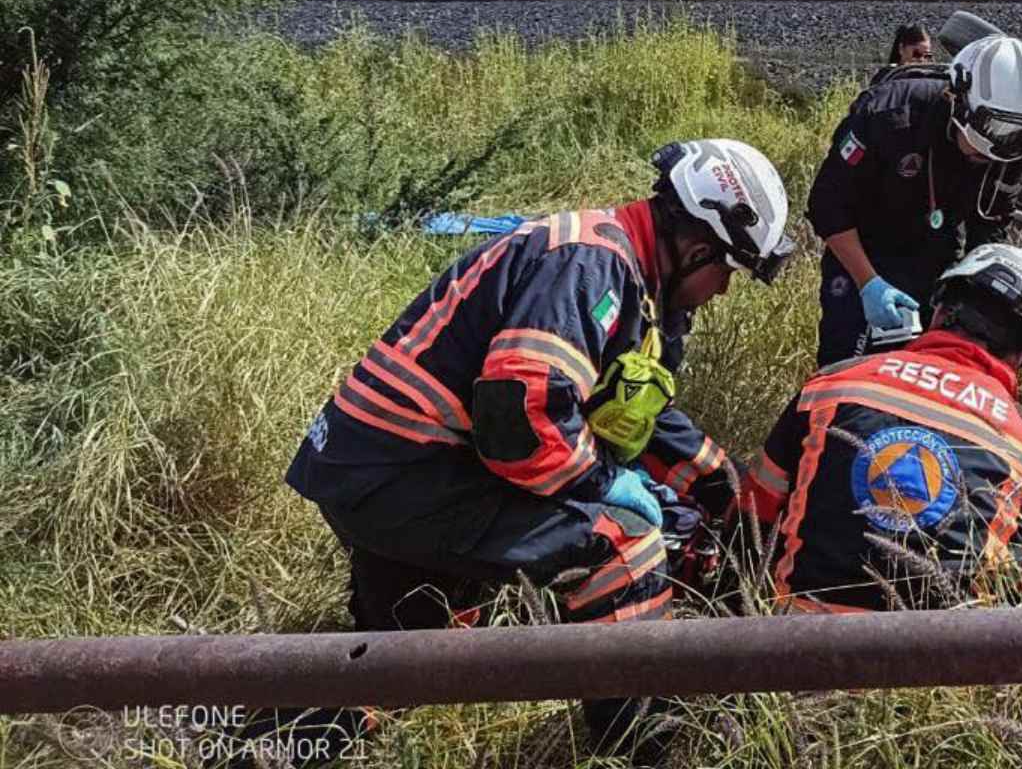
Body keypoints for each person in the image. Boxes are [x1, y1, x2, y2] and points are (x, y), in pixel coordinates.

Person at [258, 139, 795, 764]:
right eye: (727, 271)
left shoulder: (624, 267)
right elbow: (521, 412)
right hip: (405, 474)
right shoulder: (591, 265)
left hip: (380, 467)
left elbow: (625, 406)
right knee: (623, 545)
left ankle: (270, 746)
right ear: (697, 247)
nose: (724, 290)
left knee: (403, 658)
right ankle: (639, 747)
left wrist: (716, 484)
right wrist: (602, 485)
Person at [741, 244, 1022, 612]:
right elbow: (1014, 588)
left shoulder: (831, 386)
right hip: (938, 665)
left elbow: (752, 517)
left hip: (789, 651)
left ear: (939, 310)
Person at [808, 34, 1022, 368]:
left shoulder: (1012, 144)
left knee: (928, 366)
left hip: (939, 251)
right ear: (958, 100)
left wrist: (974, 295)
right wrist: (869, 283)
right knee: (847, 366)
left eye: (1017, 132)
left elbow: (991, 223)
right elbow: (827, 204)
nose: (999, 146)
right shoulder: (889, 114)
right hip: (864, 247)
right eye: (995, 127)